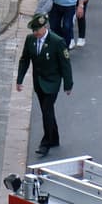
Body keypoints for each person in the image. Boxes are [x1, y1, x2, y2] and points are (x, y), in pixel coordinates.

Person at [16, 13, 73, 157]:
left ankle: (45, 143)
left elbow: (65, 64)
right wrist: (20, 79)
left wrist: (68, 84)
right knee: (46, 110)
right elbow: (24, 60)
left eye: (37, 30)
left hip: (52, 82)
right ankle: (54, 137)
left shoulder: (57, 41)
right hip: (39, 83)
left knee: (47, 110)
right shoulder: (30, 40)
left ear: (45, 27)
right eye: (33, 30)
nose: (35, 32)